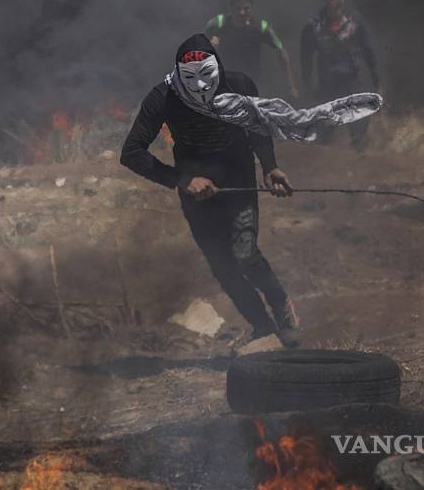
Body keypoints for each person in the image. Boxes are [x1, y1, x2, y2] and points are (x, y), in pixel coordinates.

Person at [120, 33, 301, 348]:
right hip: (196, 194)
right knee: (223, 266)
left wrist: (270, 166)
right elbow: (131, 152)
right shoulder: (163, 97)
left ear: (218, 68)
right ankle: (262, 327)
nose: (201, 86)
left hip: (239, 183)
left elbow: (258, 127)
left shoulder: (240, 85)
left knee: (245, 253)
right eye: (191, 79)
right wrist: (182, 180)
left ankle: (280, 303)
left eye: (207, 76)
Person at [299, 0, 381, 149]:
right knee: (323, 134)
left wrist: (377, 81)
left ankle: (360, 158)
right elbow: (305, 58)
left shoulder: (354, 21)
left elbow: (369, 52)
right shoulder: (314, 25)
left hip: (351, 81)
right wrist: (306, 86)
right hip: (327, 83)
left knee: (358, 131)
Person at [204, 0, 299, 99]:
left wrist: (291, 86)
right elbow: (201, 47)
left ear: (251, 8)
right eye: (238, 9)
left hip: (251, 81)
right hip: (226, 80)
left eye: (246, 8)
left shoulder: (260, 27)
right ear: (231, 8)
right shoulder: (219, 24)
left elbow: (281, 52)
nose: (242, 12)